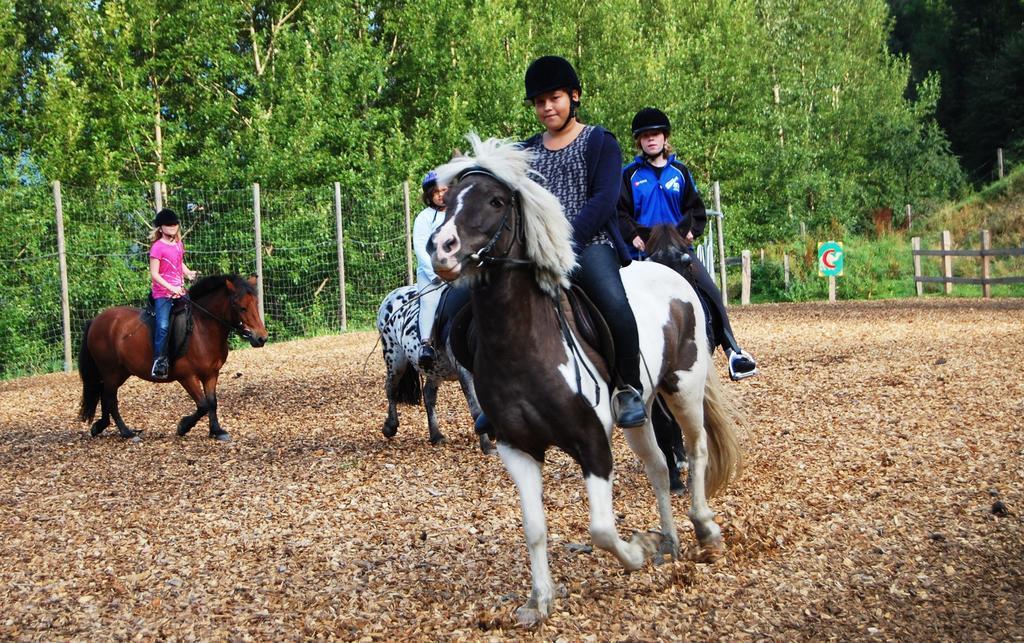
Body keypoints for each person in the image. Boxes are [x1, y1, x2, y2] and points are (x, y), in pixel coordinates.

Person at [520, 55, 647, 428]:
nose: (547, 107)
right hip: (537, 250)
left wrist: (563, 243)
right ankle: (501, 392)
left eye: (554, 98)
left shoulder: (599, 141)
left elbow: (605, 199)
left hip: (590, 243)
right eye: (540, 102)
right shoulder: (526, 149)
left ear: (574, 96)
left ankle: (628, 387)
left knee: (614, 304)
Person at [618, 107, 757, 381]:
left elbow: (696, 210)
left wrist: (692, 231)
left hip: (678, 250)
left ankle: (733, 350)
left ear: (665, 137)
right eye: (645, 136)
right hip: (644, 253)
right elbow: (620, 212)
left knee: (710, 289)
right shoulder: (629, 175)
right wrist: (631, 235)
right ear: (639, 142)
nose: (650, 140)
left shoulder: (679, 173)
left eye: (655, 134)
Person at [148, 208, 196, 379]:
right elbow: (154, 274)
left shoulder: (178, 244)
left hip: (180, 291)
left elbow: (178, 264)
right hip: (163, 294)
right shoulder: (157, 247)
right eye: (168, 225)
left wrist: (188, 272)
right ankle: (159, 361)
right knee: (162, 326)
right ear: (160, 228)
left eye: (175, 224)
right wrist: (170, 287)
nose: (173, 227)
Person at [412, 171, 449, 370]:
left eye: (444, 190)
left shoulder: (458, 212)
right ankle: (426, 344)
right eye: (436, 192)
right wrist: (436, 273)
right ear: (429, 196)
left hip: (459, 270)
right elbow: (419, 248)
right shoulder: (424, 218)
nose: (441, 195)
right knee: (429, 301)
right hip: (431, 274)